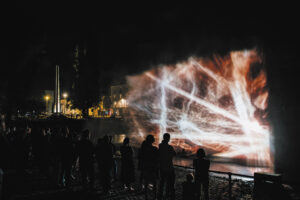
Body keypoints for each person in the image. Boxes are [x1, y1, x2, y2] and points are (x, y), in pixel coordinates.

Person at [158, 133, 176, 200]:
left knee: (162, 182)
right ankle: (169, 195)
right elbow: (174, 154)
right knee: (171, 183)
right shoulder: (169, 147)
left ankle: (160, 196)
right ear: (168, 138)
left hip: (162, 167)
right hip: (169, 167)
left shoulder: (160, 146)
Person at [140, 135, 159, 200]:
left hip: (146, 167)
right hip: (153, 168)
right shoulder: (155, 149)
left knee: (146, 182)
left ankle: (146, 197)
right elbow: (157, 159)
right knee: (154, 183)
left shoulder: (143, 149)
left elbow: (141, 158)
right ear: (152, 140)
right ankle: (155, 197)